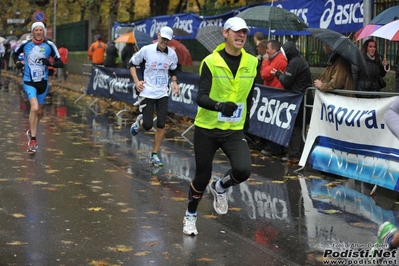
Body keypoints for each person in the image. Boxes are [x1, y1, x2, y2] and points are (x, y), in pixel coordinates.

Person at [182, 17, 259, 236]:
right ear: (225, 33)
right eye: (236, 31)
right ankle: (190, 215)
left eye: (244, 32)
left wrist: (247, 120)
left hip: (234, 129)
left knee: (243, 170)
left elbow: (250, 95)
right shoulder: (210, 61)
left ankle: (221, 187)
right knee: (201, 176)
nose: (241, 35)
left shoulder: (252, 62)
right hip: (207, 128)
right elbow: (200, 97)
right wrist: (219, 106)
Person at [129, 26, 180, 167]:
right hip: (147, 92)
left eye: (167, 40)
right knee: (147, 125)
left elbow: (174, 69)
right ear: (158, 36)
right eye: (163, 39)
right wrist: (136, 81)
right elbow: (132, 64)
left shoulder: (172, 54)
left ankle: (154, 155)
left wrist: (174, 82)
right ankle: (140, 121)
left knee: (162, 123)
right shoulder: (146, 50)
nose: (164, 42)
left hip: (163, 92)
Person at [12, 22, 63, 153]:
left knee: (39, 112)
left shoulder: (49, 45)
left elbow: (60, 62)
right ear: (33, 32)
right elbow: (14, 54)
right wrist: (18, 63)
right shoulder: (25, 44)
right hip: (29, 81)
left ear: (43, 32)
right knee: (34, 107)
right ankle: (33, 140)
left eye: (41, 30)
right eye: (36, 30)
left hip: (43, 82)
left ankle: (31, 131)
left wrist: (50, 63)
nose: (39, 32)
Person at [272, 41, 314, 164]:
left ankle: (294, 155)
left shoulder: (294, 63)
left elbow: (286, 81)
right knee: (300, 127)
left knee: (296, 126)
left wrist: (278, 74)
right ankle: (299, 153)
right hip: (304, 97)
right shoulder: (300, 61)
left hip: (299, 99)